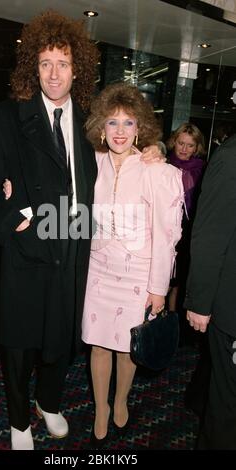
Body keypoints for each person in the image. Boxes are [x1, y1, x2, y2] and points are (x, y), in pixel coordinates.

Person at [0, 10, 99, 450]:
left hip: (73, 247)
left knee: (60, 340)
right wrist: (14, 224)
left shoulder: (90, 123)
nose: (54, 73)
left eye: (62, 63)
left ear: (76, 69)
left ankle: (50, 401)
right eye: (45, 63)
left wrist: (152, 152)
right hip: (28, 249)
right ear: (32, 68)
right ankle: (20, 420)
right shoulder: (7, 118)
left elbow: (119, 159)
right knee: (21, 343)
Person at [81, 83, 184, 448]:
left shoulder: (156, 170)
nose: (120, 131)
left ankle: (121, 400)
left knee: (128, 347)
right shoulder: (90, 163)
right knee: (98, 345)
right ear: (101, 128)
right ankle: (100, 409)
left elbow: (167, 234)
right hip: (98, 270)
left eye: (128, 123)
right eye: (112, 123)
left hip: (138, 275)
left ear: (140, 128)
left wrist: (159, 288)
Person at [184, 132, 236, 450]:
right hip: (231, 311)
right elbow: (209, 235)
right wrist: (200, 302)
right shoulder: (232, 157)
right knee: (228, 410)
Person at [166, 123, 206, 316]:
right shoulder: (163, 164)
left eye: (190, 145)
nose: (184, 149)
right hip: (163, 227)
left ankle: (171, 325)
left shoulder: (202, 171)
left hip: (187, 230)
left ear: (196, 147)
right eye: (181, 143)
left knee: (178, 283)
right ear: (174, 142)